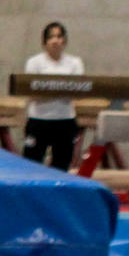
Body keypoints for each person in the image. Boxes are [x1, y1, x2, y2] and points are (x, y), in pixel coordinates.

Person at [22, 21, 86, 170]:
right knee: (32, 164)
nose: (56, 40)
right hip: (39, 121)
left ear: (64, 41)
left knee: (62, 165)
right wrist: (62, 91)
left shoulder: (75, 63)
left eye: (59, 36)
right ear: (44, 42)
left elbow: (78, 93)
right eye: (51, 37)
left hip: (65, 120)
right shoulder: (34, 62)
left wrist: (48, 92)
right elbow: (31, 95)